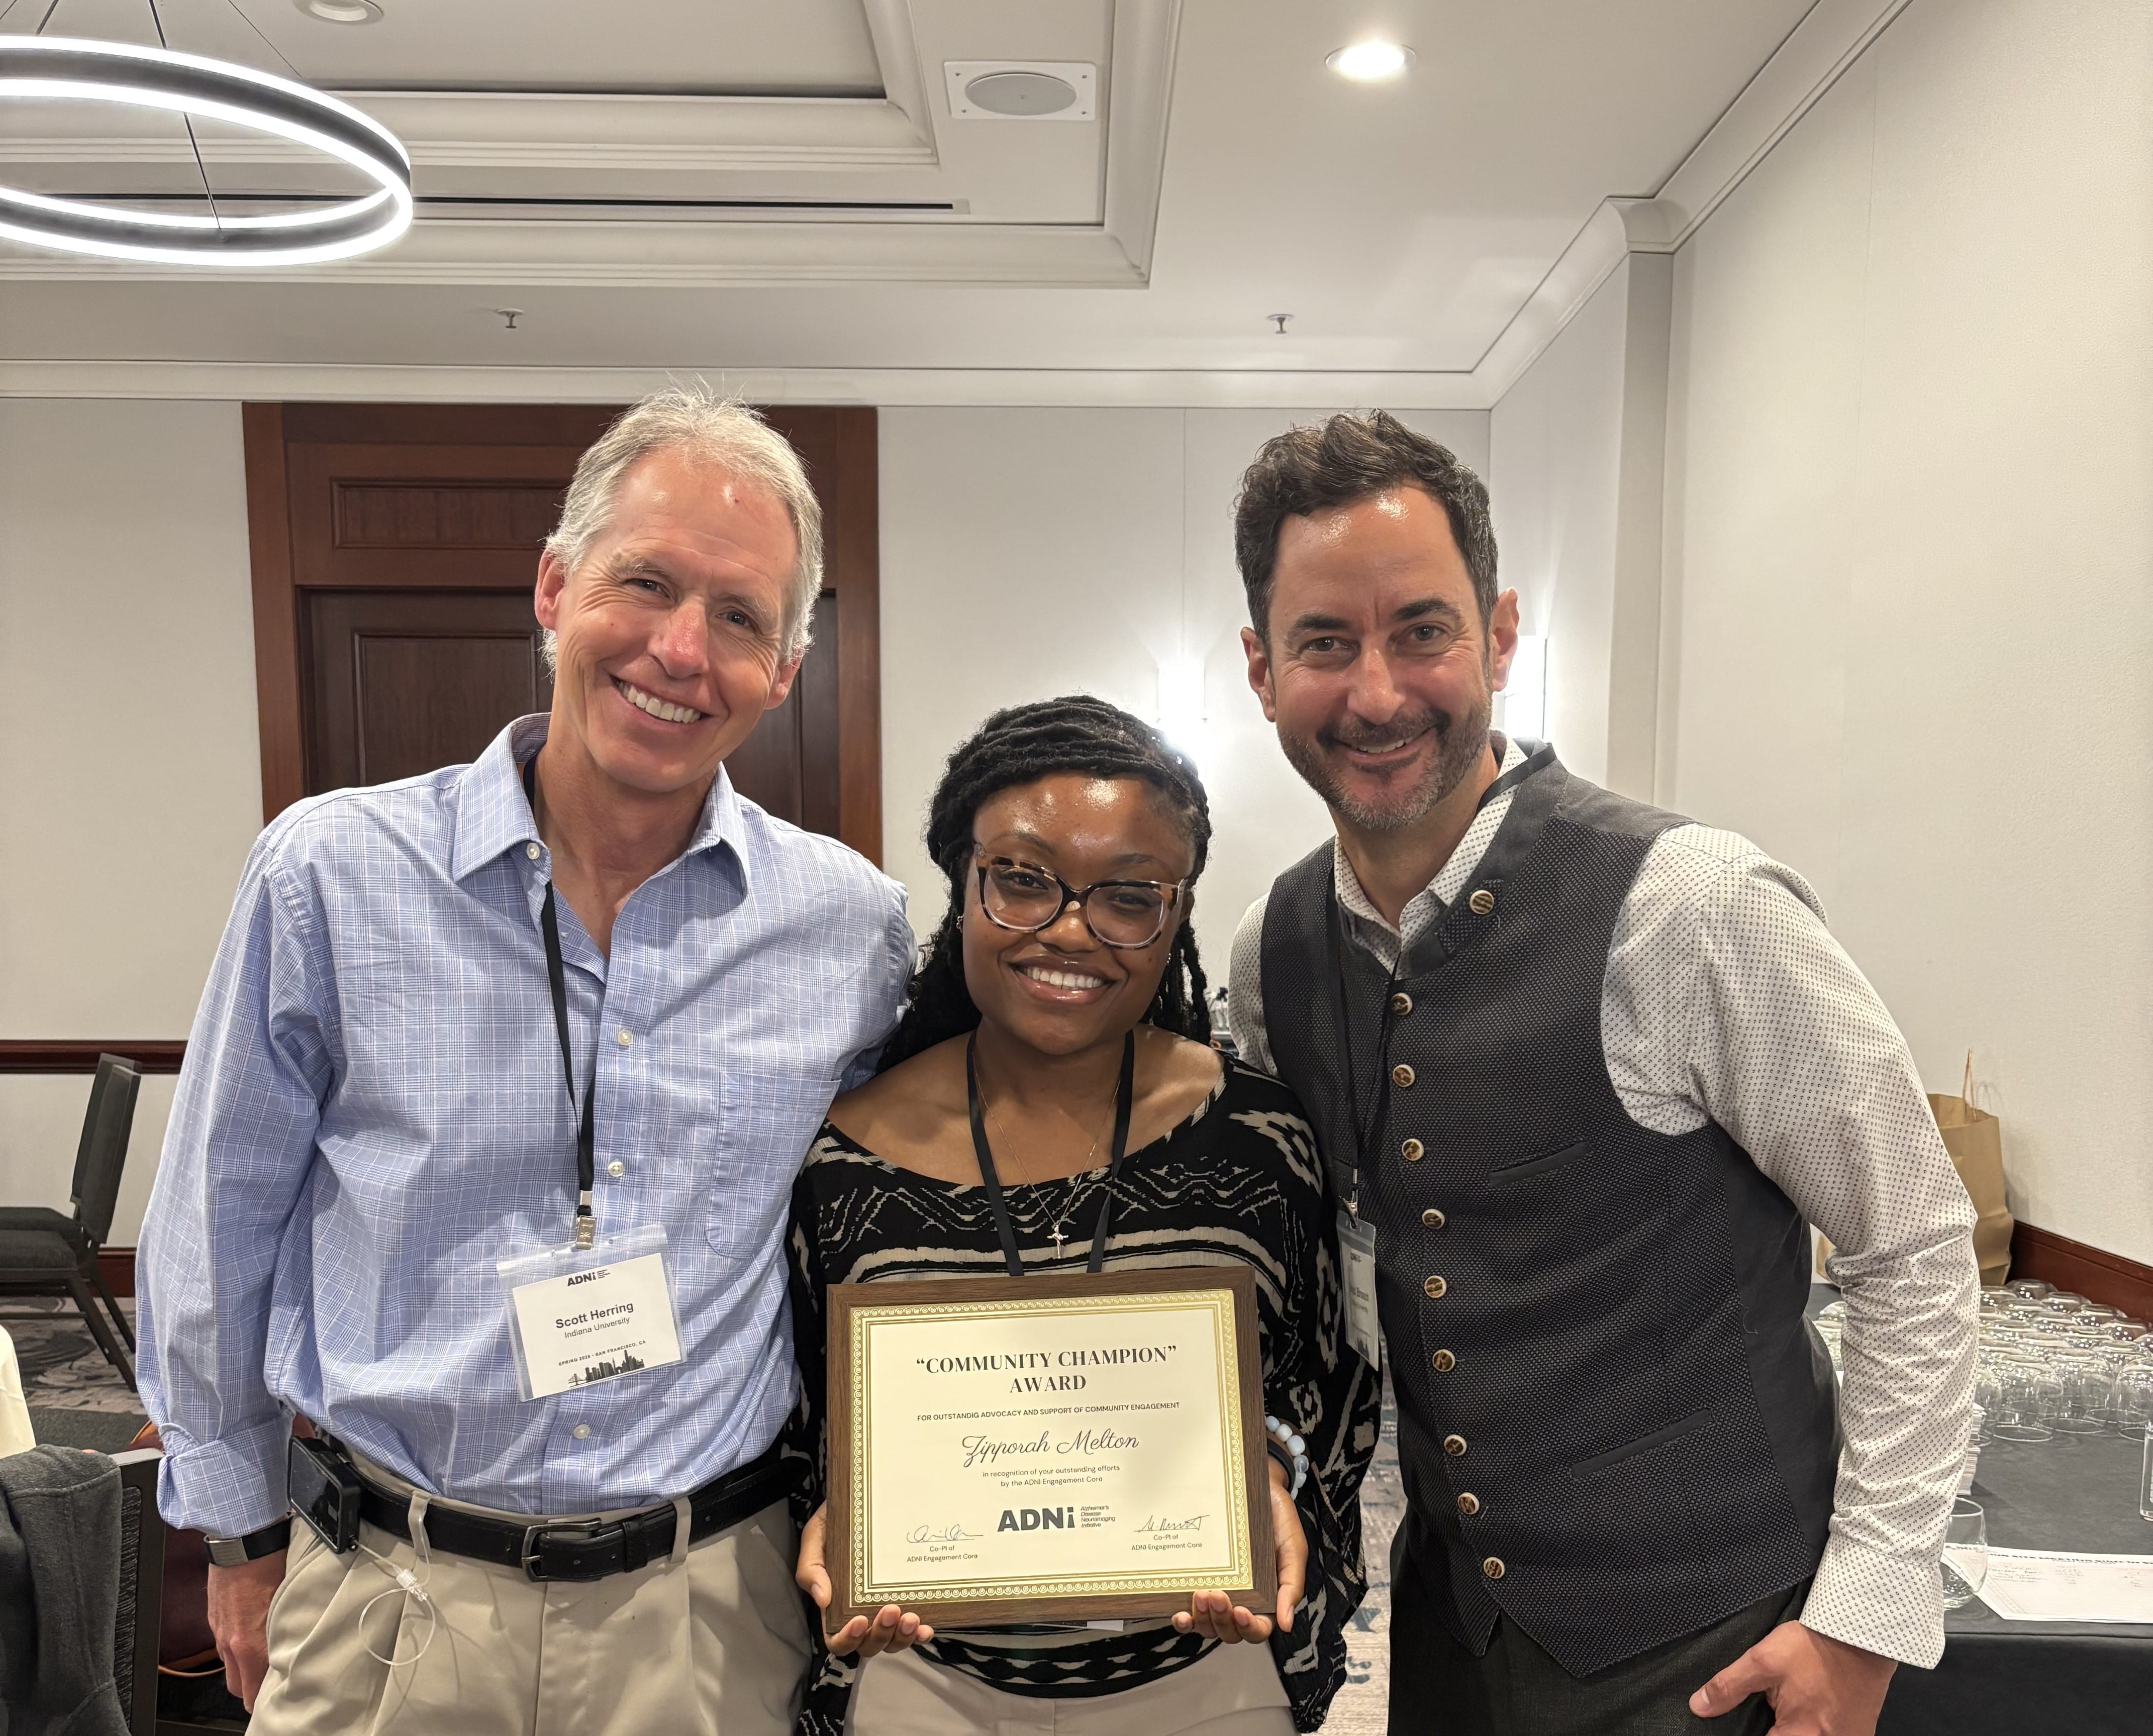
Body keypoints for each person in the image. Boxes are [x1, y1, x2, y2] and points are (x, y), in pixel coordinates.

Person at [136, 389, 914, 1735]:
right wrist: (237, 1539)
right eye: (646, 584)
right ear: (555, 588)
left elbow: (909, 1220)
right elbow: (217, 1221)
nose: (681, 650)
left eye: (739, 617)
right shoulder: (331, 875)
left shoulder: (847, 930)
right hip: (387, 1594)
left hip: (706, 1615)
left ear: (784, 670)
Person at [1225, 413, 1980, 1736]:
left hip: (1716, 1649)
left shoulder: (1691, 905)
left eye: (1422, 629)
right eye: (1323, 644)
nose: (1379, 692)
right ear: (1257, 667)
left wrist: (1863, 1616)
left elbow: (1910, 1239)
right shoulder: (1268, 951)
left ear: (1500, 634)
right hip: (1446, 1645)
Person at [785, 697, 1381, 1734]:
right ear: (963, 883)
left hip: (1203, 1675)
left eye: (1128, 898)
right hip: (925, 1683)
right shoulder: (842, 1157)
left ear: (1175, 916)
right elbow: (798, 1424)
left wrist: (1271, 1478)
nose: (1070, 930)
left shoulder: (1257, 1138)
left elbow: (1322, 1390)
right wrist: (837, 1522)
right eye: (1022, 879)